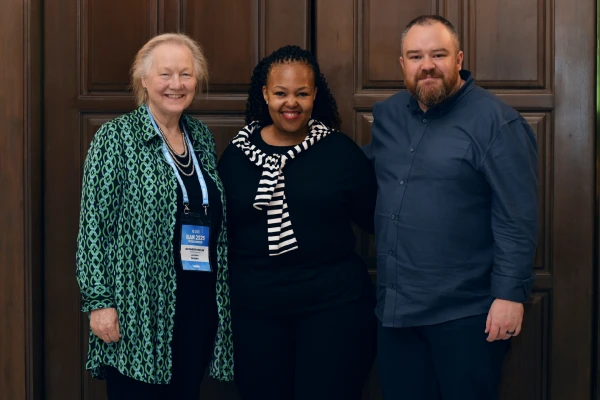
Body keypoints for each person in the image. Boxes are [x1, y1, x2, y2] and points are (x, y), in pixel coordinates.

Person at [364, 15, 539, 400]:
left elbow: (517, 218)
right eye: (416, 56)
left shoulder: (497, 122)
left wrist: (510, 296)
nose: (427, 65)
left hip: (466, 316)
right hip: (396, 312)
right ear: (402, 64)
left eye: (438, 54)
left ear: (458, 59)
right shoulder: (388, 116)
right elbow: (363, 181)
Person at [75, 33, 233, 400]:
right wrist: (99, 303)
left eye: (186, 74)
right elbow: (93, 228)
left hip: (197, 300)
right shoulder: (116, 138)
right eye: (165, 74)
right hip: (138, 308)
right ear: (143, 80)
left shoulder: (200, 137)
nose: (176, 84)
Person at [217, 45, 377, 400]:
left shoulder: (340, 152)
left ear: (315, 95)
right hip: (255, 312)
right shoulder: (237, 156)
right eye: (281, 93)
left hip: (334, 309)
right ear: (265, 94)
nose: (291, 103)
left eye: (302, 93)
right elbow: (221, 232)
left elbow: (377, 219)